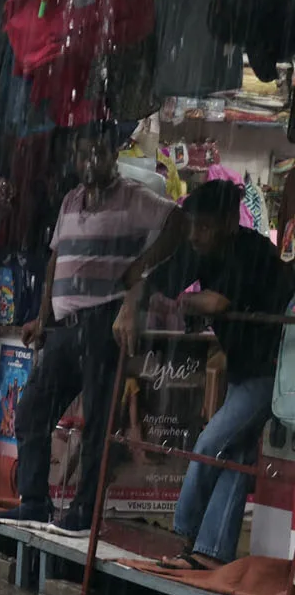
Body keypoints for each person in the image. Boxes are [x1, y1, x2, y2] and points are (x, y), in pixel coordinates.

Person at [0, 123, 180, 534]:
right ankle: (36, 502)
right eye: (82, 154)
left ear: (113, 156)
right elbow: (56, 260)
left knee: (97, 422)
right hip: (63, 327)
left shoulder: (133, 198)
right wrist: (42, 318)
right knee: (31, 412)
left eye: (97, 152)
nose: (89, 161)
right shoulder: (70, 200)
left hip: (102, 322)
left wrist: (140, 268)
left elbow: (178, 223)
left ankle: (83, 514)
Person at [117, 181, 295, 569]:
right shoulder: (201, 249)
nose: (194, 234)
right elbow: (152, 282)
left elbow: (217, 301)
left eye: (204, 227)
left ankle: (184, 532)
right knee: (235, 455)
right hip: (242, 368)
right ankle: (213, 553)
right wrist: (130, 305)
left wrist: (185, 301)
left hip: (270, 374)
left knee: (209, 443)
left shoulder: (252, 251)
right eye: (193, 226)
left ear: (229, 223)